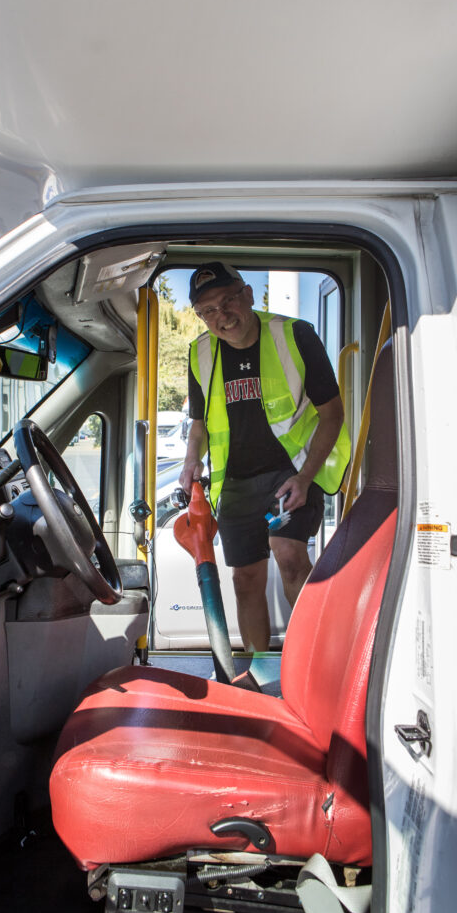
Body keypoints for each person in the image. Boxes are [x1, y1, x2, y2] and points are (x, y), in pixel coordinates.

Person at [180, 262, 350, 655]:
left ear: (248, 295)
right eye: (208, 311)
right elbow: (199, 425)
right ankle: (260, 669)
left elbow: (332, 414)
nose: (222, 317)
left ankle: (317, 661)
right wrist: (192, 461)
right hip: (237, 483)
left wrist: (305, 478)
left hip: (289, 471)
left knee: (290, 556)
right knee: (244, 580)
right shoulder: (200, 353)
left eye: (228, 301)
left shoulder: (295, 335)